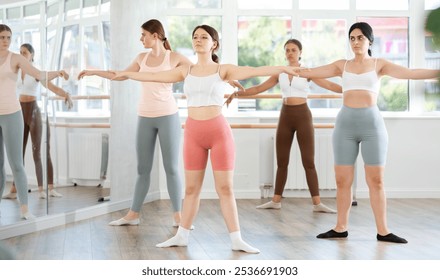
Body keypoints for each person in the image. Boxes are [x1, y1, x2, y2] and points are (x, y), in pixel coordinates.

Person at [112, 24, 300, 254]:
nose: (198, 39)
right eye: (195, 36)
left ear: (214, 44)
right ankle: (182, 235)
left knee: (225, 189)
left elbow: (253, 69)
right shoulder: (185, 70)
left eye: (204, 37)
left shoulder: (223, 70)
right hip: (193, 133)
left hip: (218, 132)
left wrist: (283, 68)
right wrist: (128, 73)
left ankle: (236, 239)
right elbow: (153, 76)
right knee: (191, 189)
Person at [293, 22, 440, 243]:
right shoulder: (341, 65)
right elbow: (310, 72)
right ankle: (340, 227)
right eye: (352, 38)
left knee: (376, 181)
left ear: (370, 40)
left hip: (372, 126)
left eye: (360, 38)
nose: (355, 42)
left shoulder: (379, 64)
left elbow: (411, 73)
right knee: (343, 181)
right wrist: (284, 68)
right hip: (345, 126)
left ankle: (383, 231)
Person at [78, 19, 193, 227]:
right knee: (143, 169)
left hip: (168, 116)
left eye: (143, 35)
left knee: (172, 168)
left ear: (155, 36)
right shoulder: (142, 58)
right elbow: (120, 75)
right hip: (144, 117)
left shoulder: (173, 57)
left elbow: (198, 72)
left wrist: (225, 77)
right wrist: (95, 72)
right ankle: (133, 214)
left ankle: (179, 216)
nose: (141, 39)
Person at [226, 39, 341, 213]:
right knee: (282, 161)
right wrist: (237, 94)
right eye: (287, 50)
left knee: (308, 161)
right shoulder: (280, 73)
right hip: (285, 116)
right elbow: (259, 88)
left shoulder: (307, 72)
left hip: (303, 116)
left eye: (293, 50)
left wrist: (351, 90)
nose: (290, 53)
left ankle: (317, 203)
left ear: (300, 52)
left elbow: (330, 85)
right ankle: (276, 200)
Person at [0, 24, 69, 219]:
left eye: (8, 37)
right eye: (1, 37)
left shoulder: (16, 58)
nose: (5, 41)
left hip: (12, 114)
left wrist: (58, 73)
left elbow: (39, 74)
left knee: (16, 163)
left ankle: (24, 209)